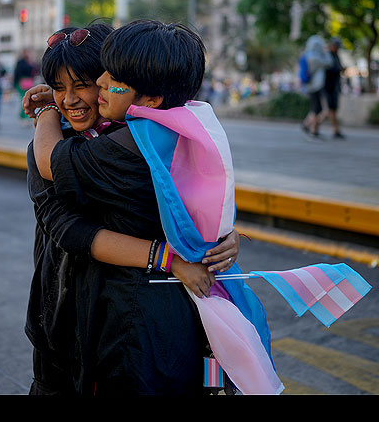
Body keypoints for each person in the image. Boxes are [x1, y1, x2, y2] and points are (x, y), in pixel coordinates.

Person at [31, 20, 276, 395]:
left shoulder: (127, 142)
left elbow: (187, 203)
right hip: (67, 315)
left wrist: (225, 238)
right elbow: (64, 227)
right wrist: (195, 248)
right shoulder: (169, 129)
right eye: (59, 88)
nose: (74, 98)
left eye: (86, 82)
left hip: (132, 320)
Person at [300, 35, 333, 139]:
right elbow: (329, 63)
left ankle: (307, 126)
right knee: (316, 109)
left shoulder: (307, 55)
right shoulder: (315, 57)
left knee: (316, 108)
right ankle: (314, 131)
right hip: (315, 86)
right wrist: (326, 52)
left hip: (311, 85)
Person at [323, 37, 345, 139]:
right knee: (330, 109)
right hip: (328, 87)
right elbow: (330, 69)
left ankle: (309, 124)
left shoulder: (336, 56)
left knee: (332, 110)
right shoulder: (327, 56)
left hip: (334, 86)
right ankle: (335, 130)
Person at [13, 48, 37, 124]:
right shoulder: (21, 62)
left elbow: (35, 71)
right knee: (24, 99)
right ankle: (23, 117)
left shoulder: (30, 62)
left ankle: (26, 117)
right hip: (21, 83)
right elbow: (17, 73)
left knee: (28, 99)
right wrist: (15, 84)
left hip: (29, 83)